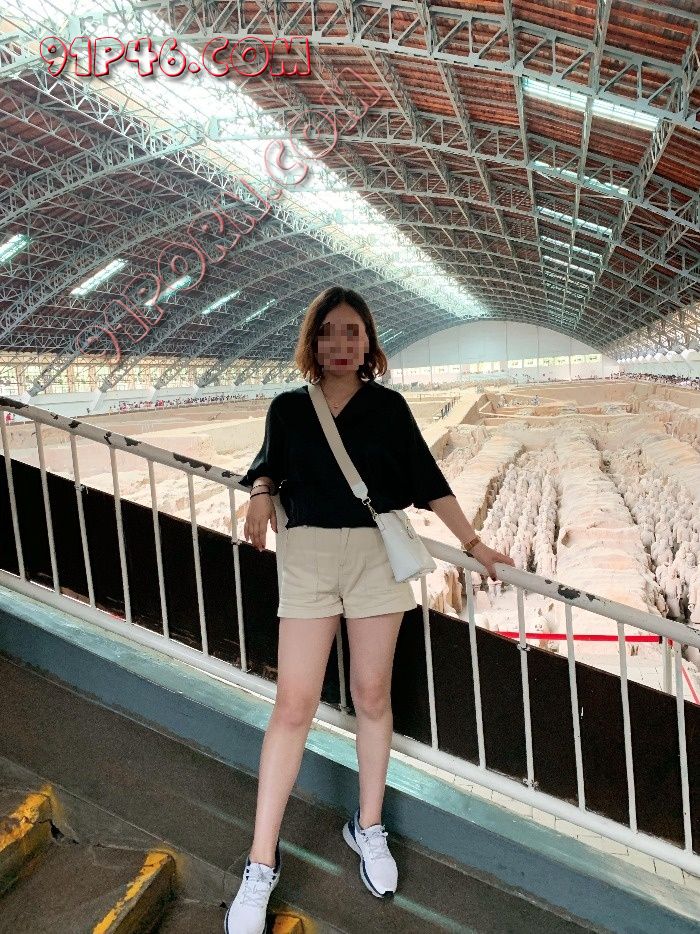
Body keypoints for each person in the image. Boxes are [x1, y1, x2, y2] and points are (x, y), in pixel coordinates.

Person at [224, 286, 513, 934]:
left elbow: (428, 482)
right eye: (328, 331)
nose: (340, 343)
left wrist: (474, 545)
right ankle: (260, 862)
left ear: (368, 342)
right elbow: (269, 465)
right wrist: (262, 491)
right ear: (313, 341)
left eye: (352, 331)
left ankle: (369, 825)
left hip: (375, 561)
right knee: (293, 704)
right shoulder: (288, 408)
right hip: (308, 560)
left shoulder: (388, 409)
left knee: (372, 694)